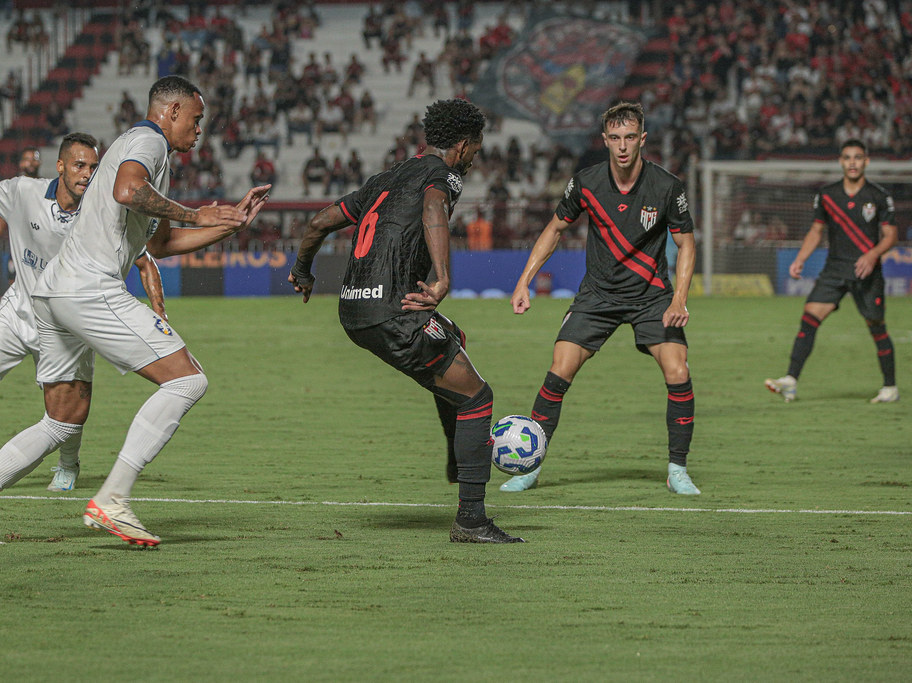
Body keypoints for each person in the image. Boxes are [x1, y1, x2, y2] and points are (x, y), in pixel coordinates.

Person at [0, 75, 270, 546]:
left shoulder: (151, 154)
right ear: (170, 112)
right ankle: (113, 499)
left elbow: (163, 243)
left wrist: (228, 222)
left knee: (61, 421)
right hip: (88, 287)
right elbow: (128, 192)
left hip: (54, 292)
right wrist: (197, 213)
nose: (199, 131)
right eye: (196, 119)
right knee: (188, 379)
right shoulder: (147, 141)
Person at [289, 98, 521, 544]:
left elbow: (319, 223)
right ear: (462, 145)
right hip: (393, 310)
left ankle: (460, 456)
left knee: (454, 338)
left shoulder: (387, 178)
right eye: (475, 147)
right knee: (478, 397)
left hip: (352, 308)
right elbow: (434, 207)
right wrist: (442, 279)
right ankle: (471, 520)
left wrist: (302, 272)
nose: (475, 157)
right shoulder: (442, 175)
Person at [0, 120, 165, 495]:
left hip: (70, 321)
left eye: (93, 167)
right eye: (79, 165)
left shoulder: (104, 212)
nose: (87, 174)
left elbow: (145, 260)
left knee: (65, 410)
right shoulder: (22, 192)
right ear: (60, 166)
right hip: (19, 312)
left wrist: (160, 312)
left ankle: (68, 462)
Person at [504, 102, 700, 495]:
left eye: (631, 138)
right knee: (559, 370)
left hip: (651, 296)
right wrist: (523, 280)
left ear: (642, 139)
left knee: (678, 370)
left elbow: (687, 242)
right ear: (605, 140)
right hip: (598, 294)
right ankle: (529, 466)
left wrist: (679, 299)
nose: (623, 146)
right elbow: (555, 228)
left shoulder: (666, 186)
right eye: (616, 138)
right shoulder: (586, 182)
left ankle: (677, 470)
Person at [765, 139, 898, 404]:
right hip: (835, 268)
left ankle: (890, 387)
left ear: (866, 161)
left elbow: (891, 236)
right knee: (809, 317)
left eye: (858, 157)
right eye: (847, 157)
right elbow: (816, 231)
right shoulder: (827, 194)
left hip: (866, 272)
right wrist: (800, 259)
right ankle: (790, 381)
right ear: (840, 161)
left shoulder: (879, 196)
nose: (852, 162)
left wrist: (872, 255)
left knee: (876, 326)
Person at [0, 146, 40, 266]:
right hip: (19, 246)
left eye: (34, 159)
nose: (31, 162)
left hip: (40, 246)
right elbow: (2, 218)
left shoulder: (46, 186)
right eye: (27, 159)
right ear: (21, 163)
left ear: (39, 162)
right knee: (15, 282)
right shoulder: (14, 188)